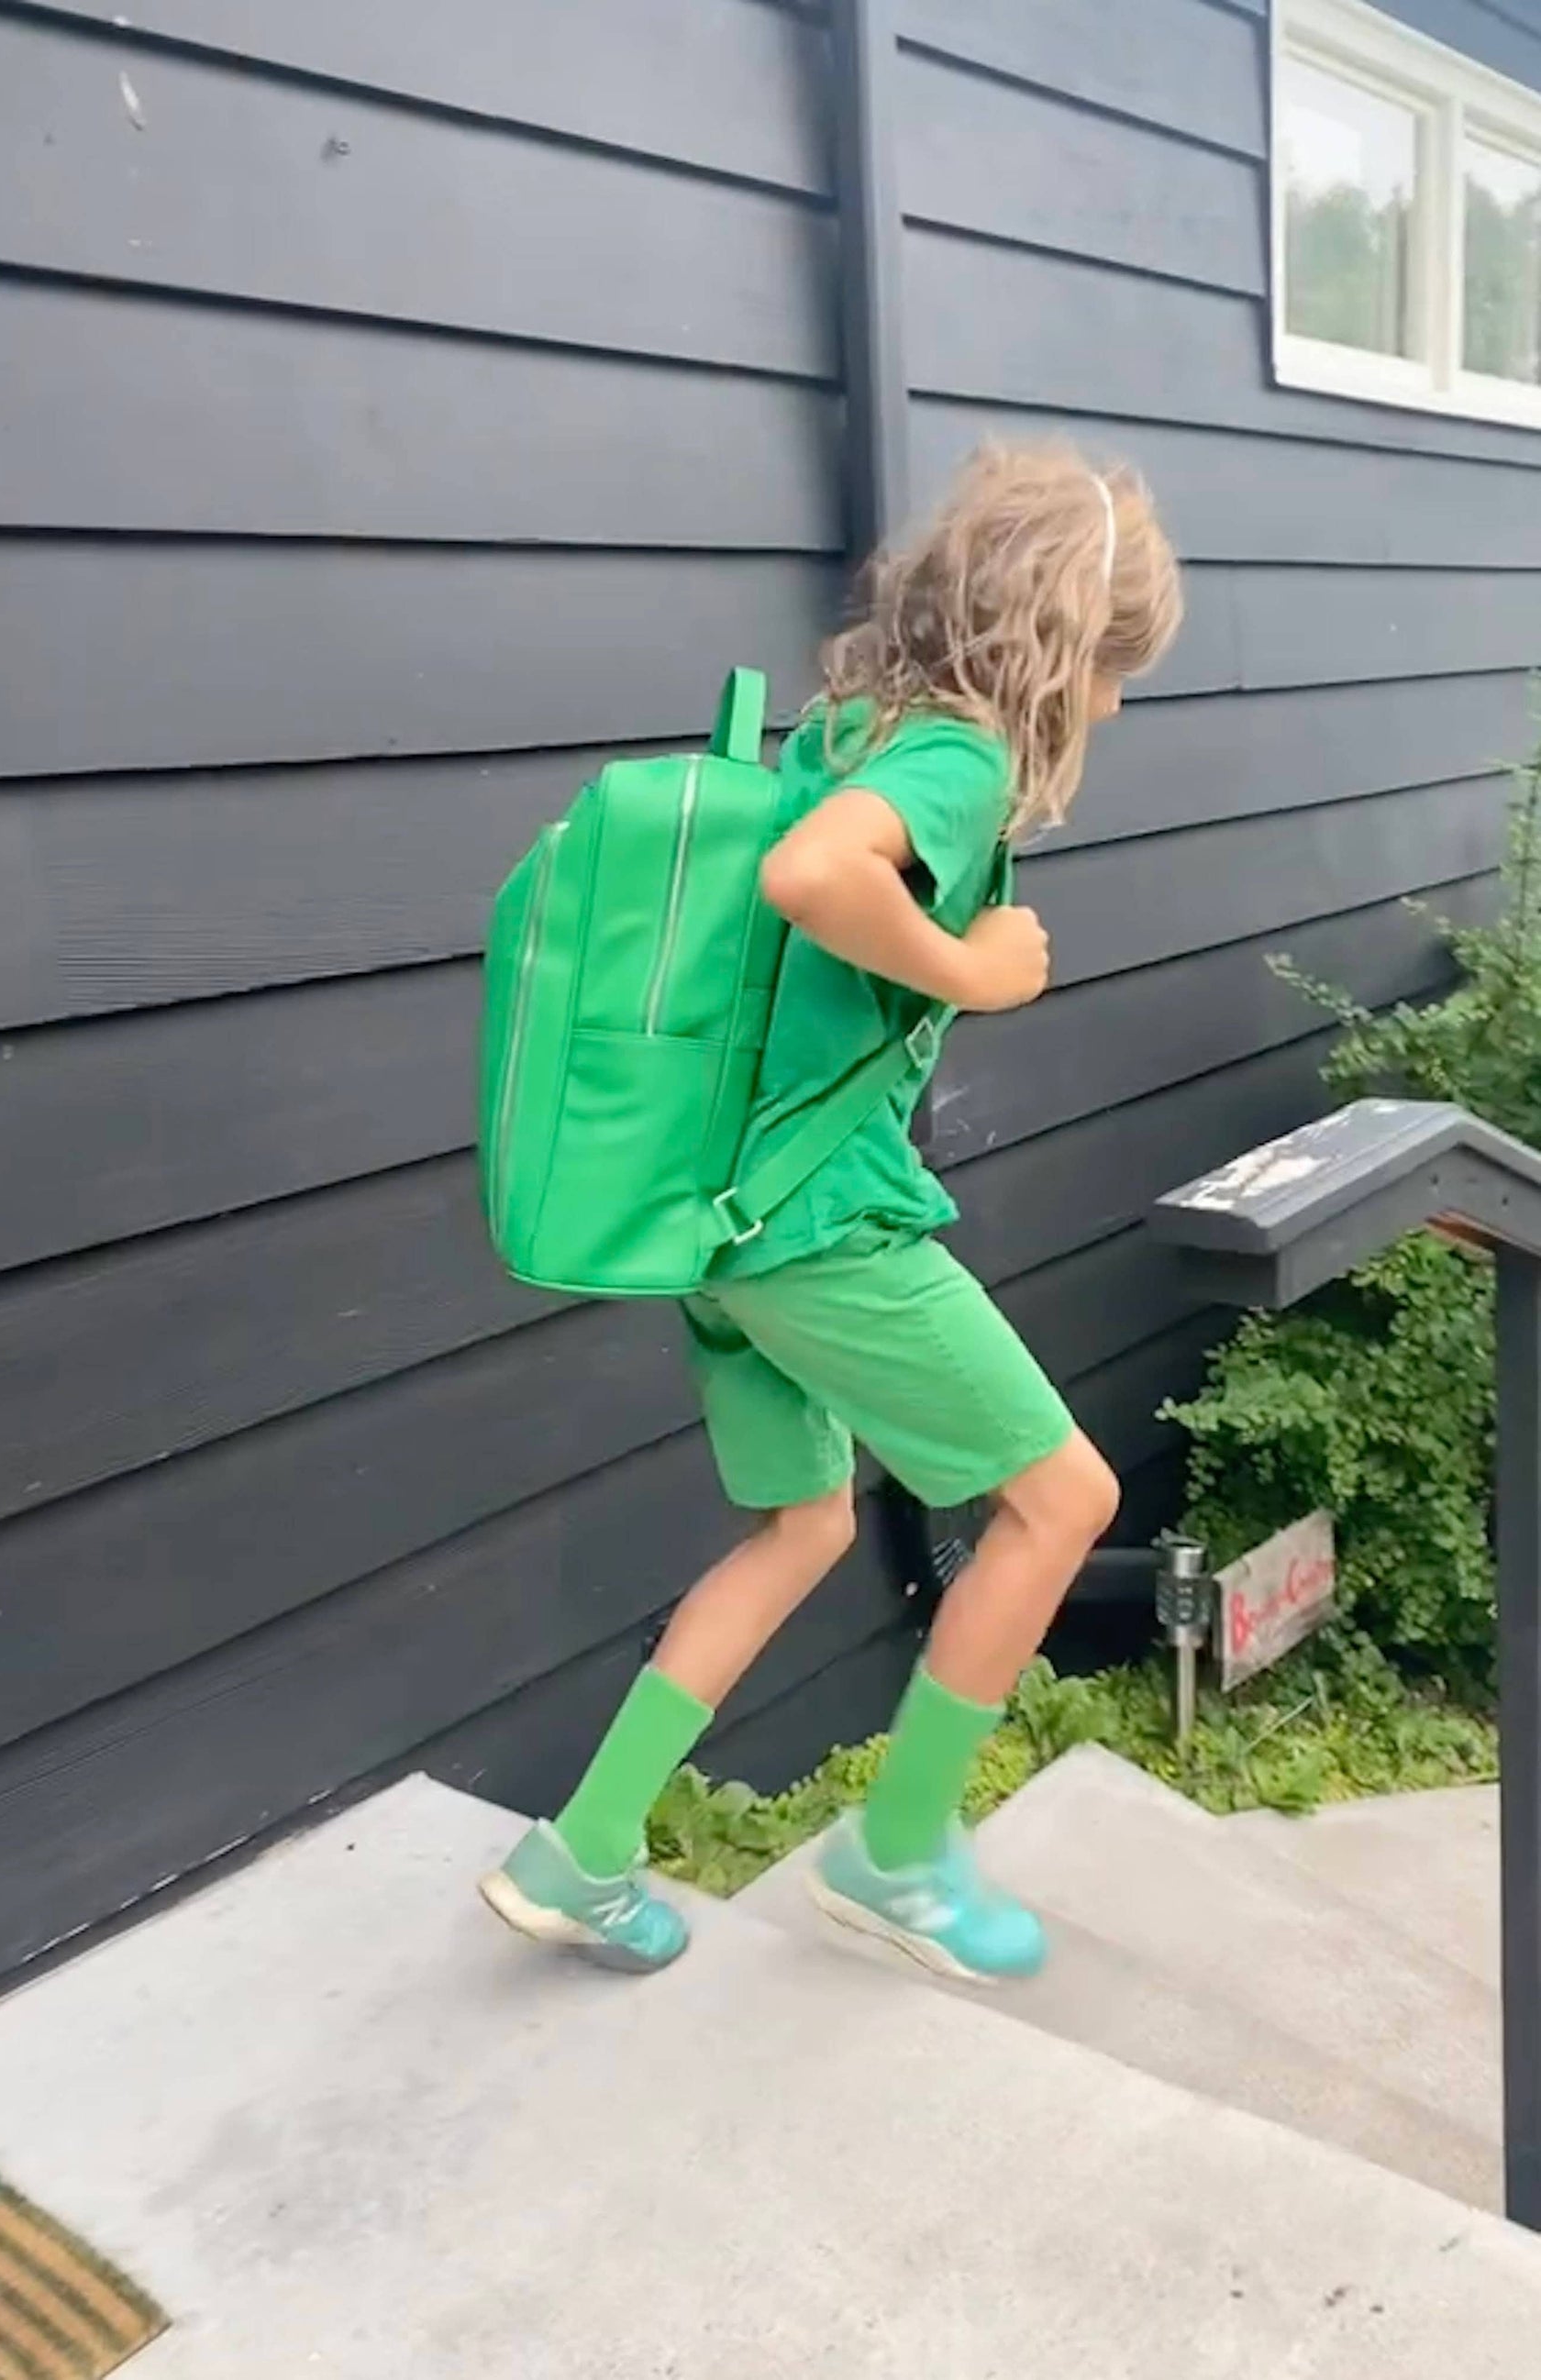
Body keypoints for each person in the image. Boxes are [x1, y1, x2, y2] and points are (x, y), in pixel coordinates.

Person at [481, 443, 1184, 1982]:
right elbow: (813, 875)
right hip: (817, 1227)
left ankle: (581, 1849)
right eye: (1114, 673)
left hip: (718, 1227)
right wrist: (973, 970)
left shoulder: (848, 727)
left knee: (801, 1523)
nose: (1116, 709)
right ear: (1058, 651)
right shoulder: (954, 764)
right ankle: (899, 1852)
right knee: (1060, 1503)